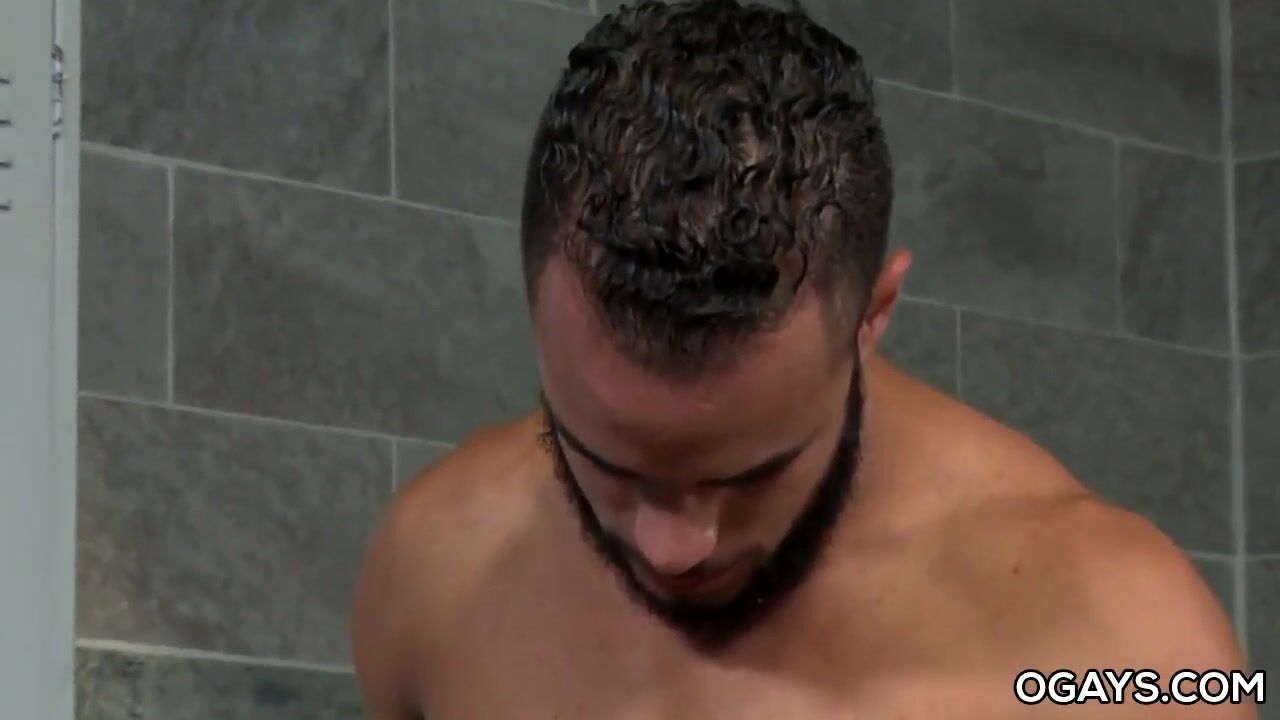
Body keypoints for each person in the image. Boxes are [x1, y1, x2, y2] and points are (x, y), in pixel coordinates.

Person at [352, 1, 1252, 717]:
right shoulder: (433, 572)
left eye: (752, 474)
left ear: (874, 314)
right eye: (606, 463)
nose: (673, 548)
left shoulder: (1130, 644)